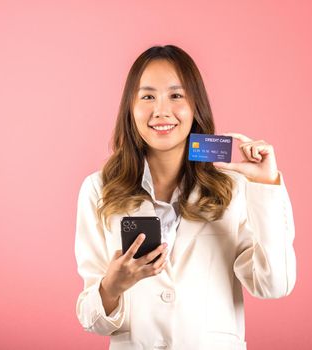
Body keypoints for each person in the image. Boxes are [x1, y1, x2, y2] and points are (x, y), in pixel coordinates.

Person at [74, 45, 296, 350]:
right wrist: (112, 286)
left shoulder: (233, 188)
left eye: (176, 96)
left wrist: (265, 184)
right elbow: (92, 320)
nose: (161, 111)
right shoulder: (99, 190)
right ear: (130, 108)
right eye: (148, 96)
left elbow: (274, 285)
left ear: (196, 107)